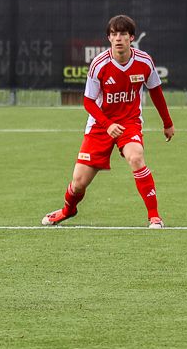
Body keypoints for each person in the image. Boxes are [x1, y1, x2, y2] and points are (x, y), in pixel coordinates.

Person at [42, 14, 174, 228]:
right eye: (114, 34)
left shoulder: (144, 61)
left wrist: (167, 123)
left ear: (132, 37)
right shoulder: (99, 64)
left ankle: (154, 216)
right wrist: (108, 124)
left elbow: (156, 92)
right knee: (78, 183)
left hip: (129, 122)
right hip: (99, 125)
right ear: (109, 38)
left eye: (123, 34)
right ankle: (67, 211)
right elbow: (88, 102)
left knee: (136, 157)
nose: (118, 38)